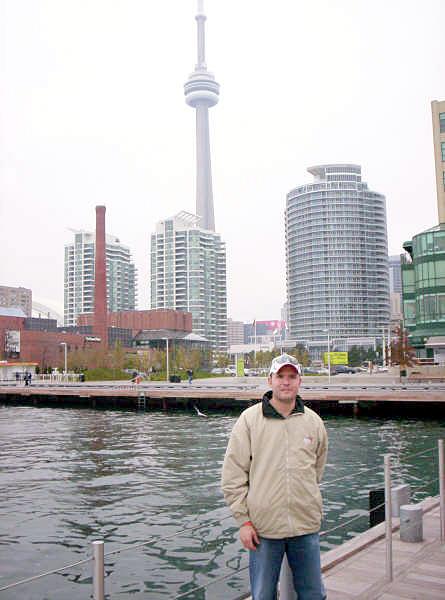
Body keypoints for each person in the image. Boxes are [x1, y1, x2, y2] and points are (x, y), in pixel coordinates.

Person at [221, 353, 328, 600]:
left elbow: (317, 468)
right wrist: (244, 521)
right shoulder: (249, 420)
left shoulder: (314, 422)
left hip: (305, 524)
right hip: (263, 529)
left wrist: (305, 496)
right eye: (280, 376)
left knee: (313, 593)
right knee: (263, 595)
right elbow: (233, 474)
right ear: (270, 380)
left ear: (300, 381)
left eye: (292, 376)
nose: (286, 382)